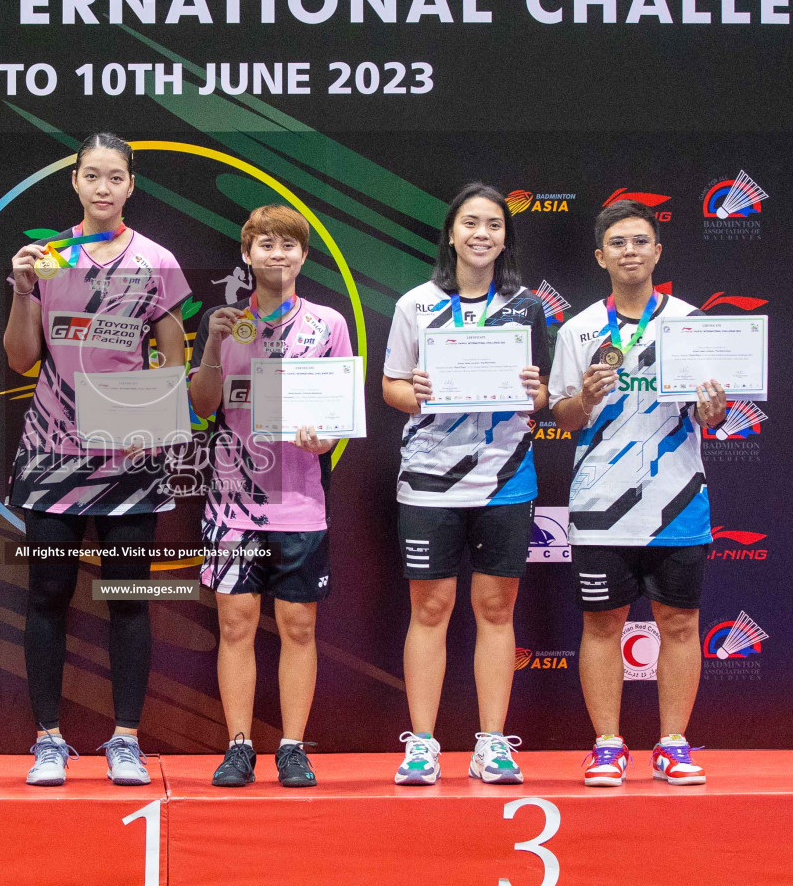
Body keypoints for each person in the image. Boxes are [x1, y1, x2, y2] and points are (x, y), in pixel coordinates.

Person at [3, 133, 191, 786]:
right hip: (53, 453)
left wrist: (157, 418)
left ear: (131, 186)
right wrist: (26, 289)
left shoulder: (157, 261)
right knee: (49, 594)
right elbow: (20, 359)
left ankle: (126, 740)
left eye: (116, 177)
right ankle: (49, 740)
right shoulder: (46, 258)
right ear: (75, 183)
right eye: (92, 176)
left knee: (127, 597)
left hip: (130, 459)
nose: (103, 187)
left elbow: (172, 352)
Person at [548, 198, 726, 788]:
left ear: (657, 251)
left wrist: (716, 410)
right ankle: (606, 744)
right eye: (618, 243)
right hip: (600, 505)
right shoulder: (578, 330)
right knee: (603, 625)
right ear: (601, 257)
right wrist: (588, 397)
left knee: (679, 624)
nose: (630, 251)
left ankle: (673, 743)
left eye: (640, 241)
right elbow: (565, 418)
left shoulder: (690, 321)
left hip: (677, 502)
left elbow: (716, 417)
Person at [381, 183, 550, 786]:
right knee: (430, 607)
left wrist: (539, 395)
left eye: (495, 226)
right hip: (429, 480)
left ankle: (493, 743)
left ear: (506, 238)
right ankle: (422, 744)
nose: (483, 234)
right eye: (472, 223)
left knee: (495, 608)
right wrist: (417, 394)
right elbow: (392, 387)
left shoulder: (527, 306)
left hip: (505, 479)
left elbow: (546, 395)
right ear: (450, 233)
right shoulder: (415, 304)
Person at [189, 205, 351, 789]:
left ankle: (290, 746)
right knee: (235, 624)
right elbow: (203, 406)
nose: (277, 254)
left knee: (299, 626)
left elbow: (338, 414)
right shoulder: (225, 322)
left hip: (301, 500)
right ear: (246, 254)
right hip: (233, 502)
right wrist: (210, 345)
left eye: (288, 245)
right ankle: (238, 745)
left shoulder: (327, 323)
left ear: (304, 256)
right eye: (265, 244)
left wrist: (323, 435)